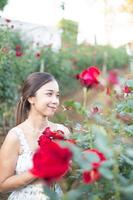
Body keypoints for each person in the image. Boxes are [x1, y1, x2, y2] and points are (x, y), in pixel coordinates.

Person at [0, 72, 70, 200]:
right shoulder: (15, 136)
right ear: (31, 98)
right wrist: (38, 169)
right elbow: (2, 185)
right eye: (49, 94)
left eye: (57, 95)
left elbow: (67, 176)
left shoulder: (62, 133)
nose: (55, 101)